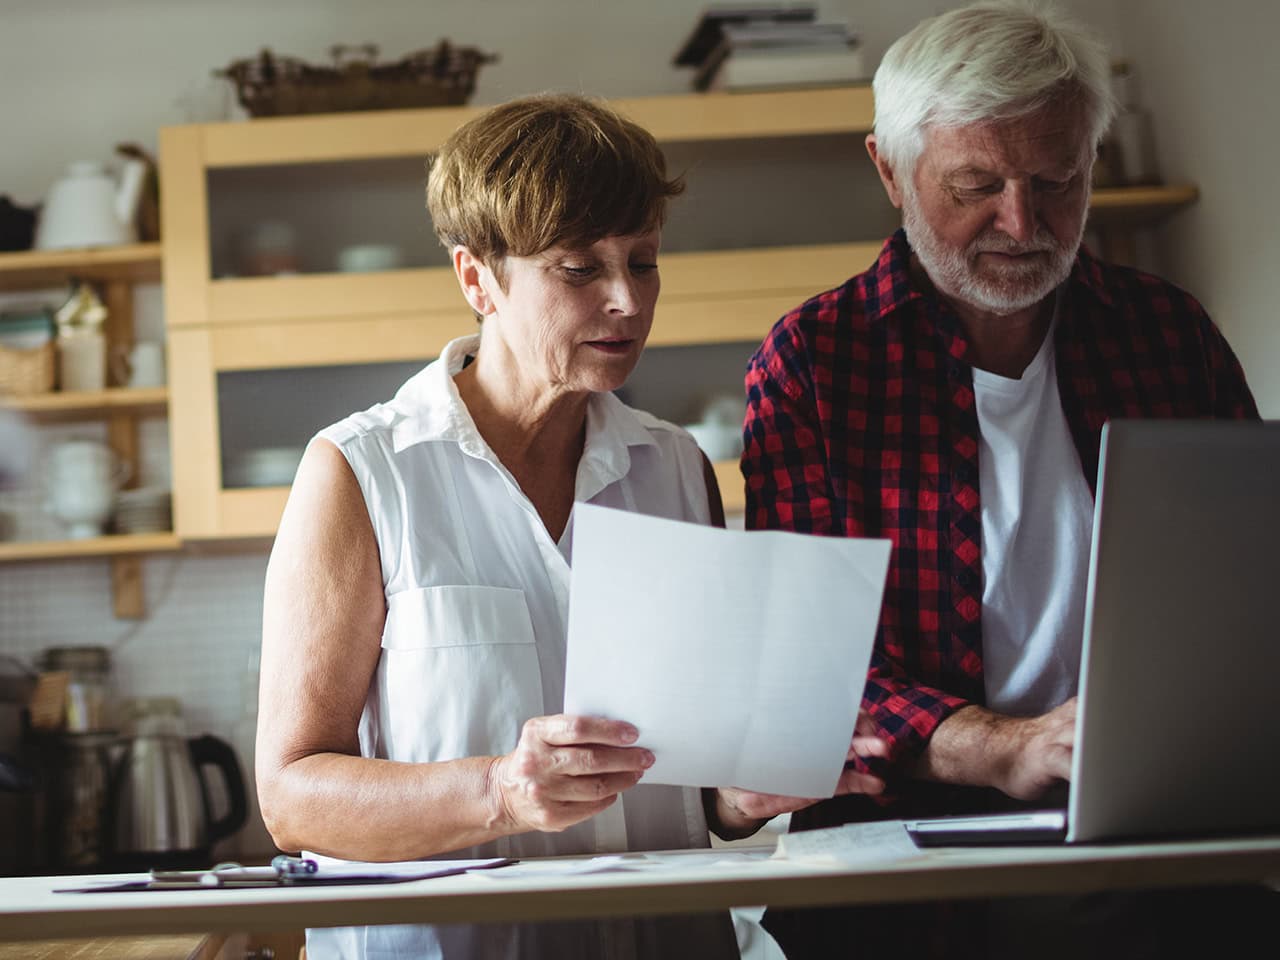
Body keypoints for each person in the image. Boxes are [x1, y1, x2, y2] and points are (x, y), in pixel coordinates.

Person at [256, 92, 887, 960]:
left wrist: (741, 794)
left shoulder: (676, 469)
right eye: (579, 270)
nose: (627, 301)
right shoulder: (363, 474)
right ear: (477, 276)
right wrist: (500, 792)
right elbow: (292, 799)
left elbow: (688, 783)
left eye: (645, 260)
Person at [738, 2, 1272, 957]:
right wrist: (1004, 748)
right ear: (889, 171)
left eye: (1056, 180)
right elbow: (807, 673)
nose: (1022, 223)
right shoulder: (816, 362)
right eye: (975, 184)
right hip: (906, 874)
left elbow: (1252, 599)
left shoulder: (1167, 333)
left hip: (1158, 853)